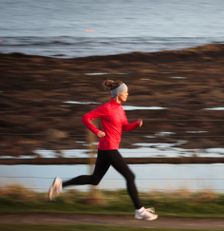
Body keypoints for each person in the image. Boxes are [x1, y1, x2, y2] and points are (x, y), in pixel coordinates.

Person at [48, 79, 158, 221]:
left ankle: (60, 184)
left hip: (105, 149)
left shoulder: (120, 109)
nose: (127, 94)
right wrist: (96, 131)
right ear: (118, 94)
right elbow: (86, 118)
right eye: (126, 92)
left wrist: (136, 124)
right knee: (130, 176)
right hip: (109, 148)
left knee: (94, 180)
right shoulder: (107, 108)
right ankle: (140, 210)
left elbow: (124, 127)